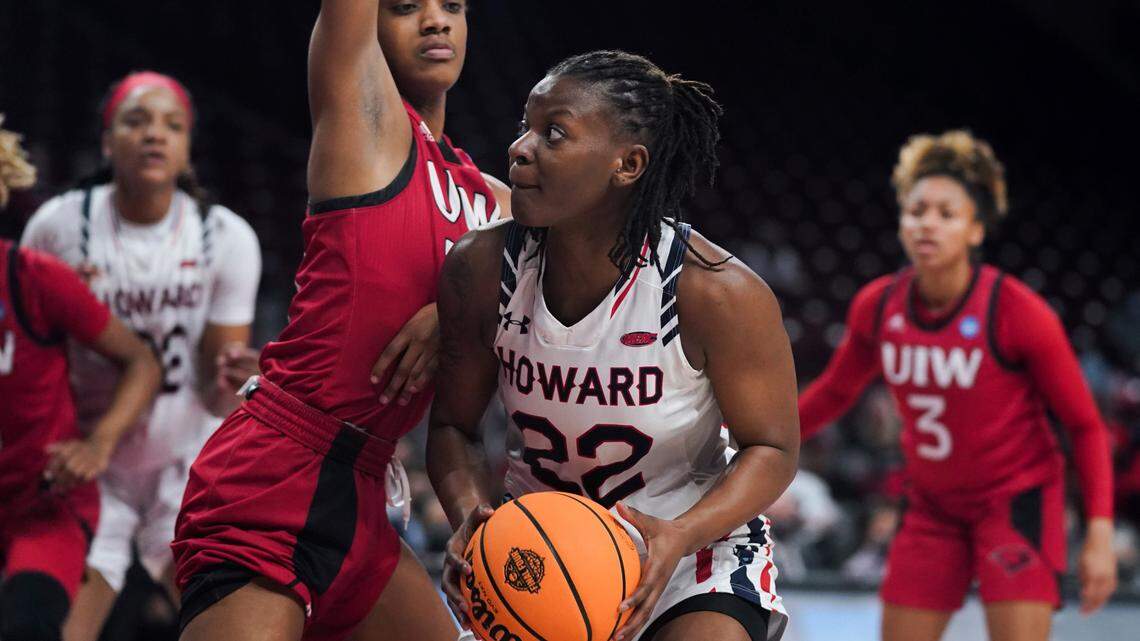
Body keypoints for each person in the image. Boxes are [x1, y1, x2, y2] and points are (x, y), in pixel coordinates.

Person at [428, 50, 799, 641]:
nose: (519, 148)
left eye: (553, 133)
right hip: (542, 555)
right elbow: (453, 427)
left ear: (627, 164)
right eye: (524, 127)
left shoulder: (716, 292)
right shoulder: (480, 269)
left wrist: (683, 532)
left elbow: (772, 448)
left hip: (689, 552)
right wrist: (472, 519)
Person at [172, 1, 508, 640]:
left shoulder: (492, 201)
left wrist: (456, 313)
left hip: (365, 495)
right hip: (275, 477)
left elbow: (570, 272)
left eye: (453, 6)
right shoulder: (365, 119)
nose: (436, 21)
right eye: (405, 7)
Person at [798, 130, 1117, 641]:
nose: (928, 223)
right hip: (931, 504)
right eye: (917, 210)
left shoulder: (1017, 311)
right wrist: (757, 439)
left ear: (975, 230)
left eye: (947, 214)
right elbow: (836, 391)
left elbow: (1085, 426)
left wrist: (1099, 531)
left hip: (1014, 501)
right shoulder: (877, 305)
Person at [21, 71, 263, 641]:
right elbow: (32, 358)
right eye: (136, 121)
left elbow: (217, 395)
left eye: (172, 126)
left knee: (231, 628)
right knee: (55, 629)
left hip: (187, 461)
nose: (155, 134)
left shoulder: (224, 236)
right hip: (89, 459)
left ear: (187, 149)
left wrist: (240, 379)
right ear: (107, 142)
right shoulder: (58, 227)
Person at [0, 115, 161, 641]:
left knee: (30, 627)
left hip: (42, 506)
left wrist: (99, 443)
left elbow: (142, 361)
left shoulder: (32, 277)